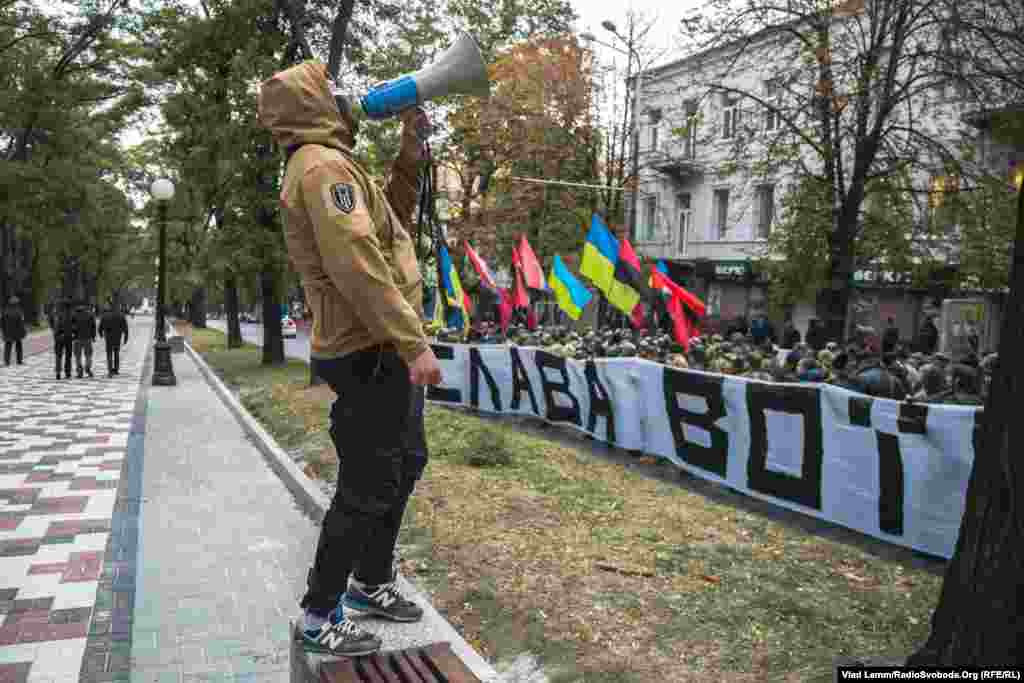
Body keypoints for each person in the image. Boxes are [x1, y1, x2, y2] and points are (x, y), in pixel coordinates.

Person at [259, 60, 442, 657]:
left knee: (405, 461)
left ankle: (369, 581)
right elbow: (356, 259)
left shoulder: (334, 161)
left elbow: (387, 224)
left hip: (379, 341)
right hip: (368, 346)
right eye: (332, 92)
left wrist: (411, 154)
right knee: (368, 482)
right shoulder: (321, 167)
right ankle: (320, 612)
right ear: (312, 105)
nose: (347, 100)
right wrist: (412, 341)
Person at [99, 304, 129, 376]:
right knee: (116, 353)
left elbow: (100, 328)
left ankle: (109, 370)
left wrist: (101, 334)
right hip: (117, 337)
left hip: (108, 337)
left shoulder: (105, 316)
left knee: (109, 353)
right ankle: (116, 369)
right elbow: (125, 328)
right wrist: (125, 338)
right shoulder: (121, 316)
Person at [71, 303, 97, 378]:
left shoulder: (74, 315)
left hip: (77, 338)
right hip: (88, 338)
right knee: (88, 355)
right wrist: (93, 336)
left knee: (78, 356)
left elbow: (71, 327)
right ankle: (88, 367)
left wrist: (73, 334)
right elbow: (93, 326)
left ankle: (79, 371)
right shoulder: (90, 315)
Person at [51, 300, 75, 380]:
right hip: (68, 337)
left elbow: (53, 324)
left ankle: (58, 372)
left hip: (59, 338)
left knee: (58, 355)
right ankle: (67, 372)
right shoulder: (72, 315)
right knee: (68, 355)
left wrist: (56, 333)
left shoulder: (57, 314)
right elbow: (74, 327)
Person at [1, 296, 27, 366]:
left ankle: (7, 362)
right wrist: (24, 332)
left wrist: (3, 331)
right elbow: (21, 323)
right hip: (17, 332)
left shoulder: (5, 311)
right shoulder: (19, 311)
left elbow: (2, 322)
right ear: (16, 303)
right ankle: (19, 361)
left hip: (8, 332)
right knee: (19, 346)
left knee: (8, 347)